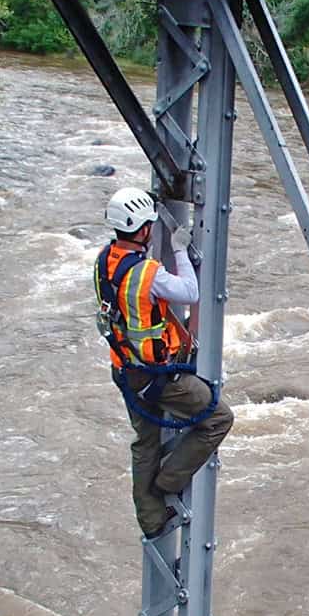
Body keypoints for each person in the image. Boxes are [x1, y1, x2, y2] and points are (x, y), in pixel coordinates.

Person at [93, 187, 234, 539]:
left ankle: (151, 519)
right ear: (143, 230)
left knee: (145, 442)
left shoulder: (103, 260)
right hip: (156, 375)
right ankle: (167, 480)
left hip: (124, 370)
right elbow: (189, 292)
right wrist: (179, 250)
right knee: (218, 418)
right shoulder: (146, 274)